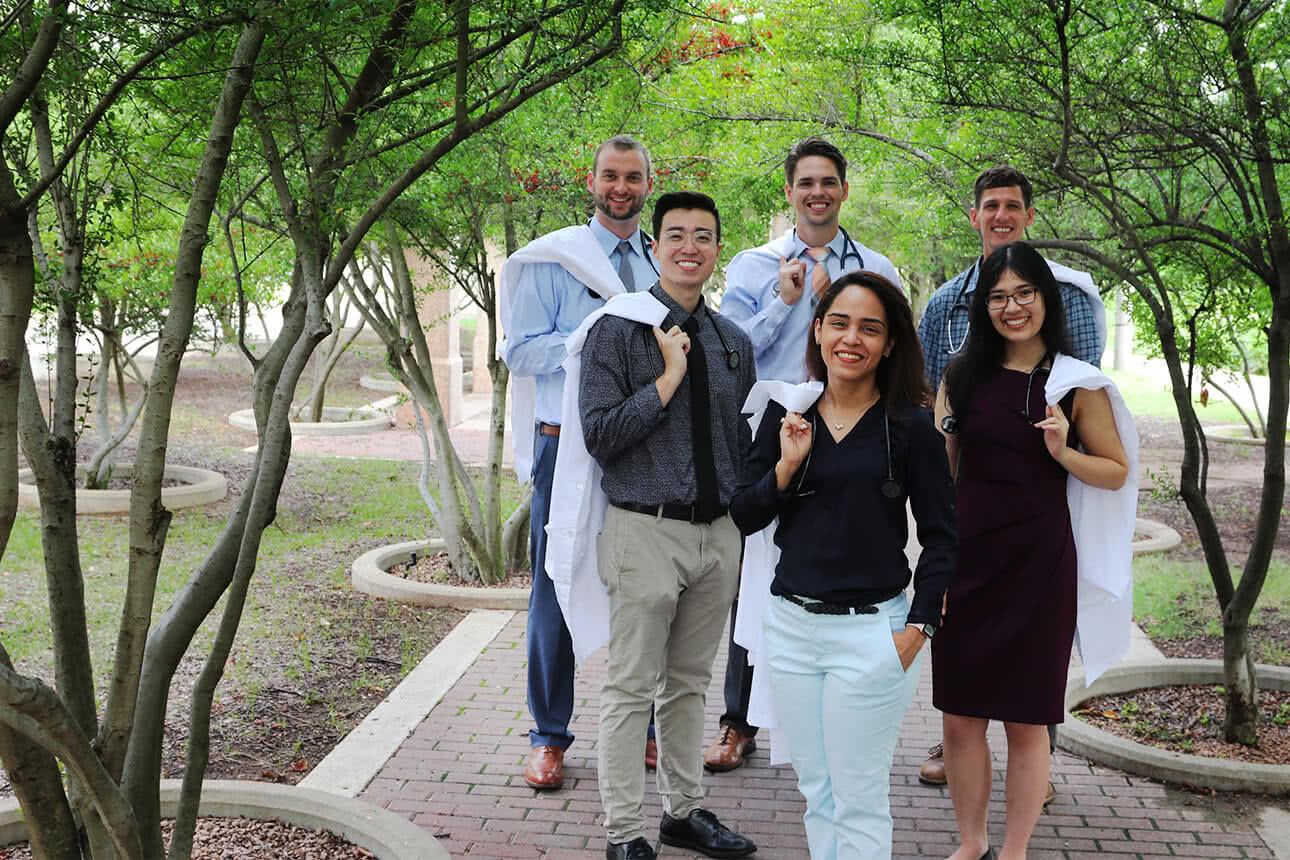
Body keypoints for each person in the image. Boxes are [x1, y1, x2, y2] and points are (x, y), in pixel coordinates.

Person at [730, 271, 956, 858]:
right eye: (840, 323)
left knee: (858, 799)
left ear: (890, 344)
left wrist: (918, 629)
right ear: (819, 331)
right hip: (792, 629)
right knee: (817, 792)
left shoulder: (911, 426)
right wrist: (785, 466)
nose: (851, 338)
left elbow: (941, 538)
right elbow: (745, 513)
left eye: (870, 328)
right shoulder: (788, 414)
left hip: (872, 634)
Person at [706, 136, 905, 772]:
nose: (817, 192)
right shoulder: (751, 266)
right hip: (775, 429)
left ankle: (832, 715)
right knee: (756, 572)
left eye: (828, 182)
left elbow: (896, 347)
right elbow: (730, 352)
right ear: (789, 192)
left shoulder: (876, 269)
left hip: (855, 427)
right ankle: (738, 721)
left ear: (844, 191)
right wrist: (783, 302)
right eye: (805, 182)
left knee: (831, 562)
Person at [932, 242, 1131, 860]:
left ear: (1047, 298)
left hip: (1040, 567)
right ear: (982, 306)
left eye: (1024, 294)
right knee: (961, 717)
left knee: (1025, 720)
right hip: (969, 562)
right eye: (997, 297)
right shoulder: (960, 376)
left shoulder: (1074, 382)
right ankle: (972, 844)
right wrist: (931, 568)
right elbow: (942, 479)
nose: (1012, 307)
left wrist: (1064, 452)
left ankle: (1014, 850)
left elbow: (1115, 471)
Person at [576, 191, 757, 860]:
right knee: (629, 686)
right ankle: (624, 832)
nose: (690, 246)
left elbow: (738, 440)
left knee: (689, 685)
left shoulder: (734, 340)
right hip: (644, 532)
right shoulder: (616, 330)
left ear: (717, 249)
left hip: (717, 538)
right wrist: (669, 377)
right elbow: (600, 435)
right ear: (653, 246)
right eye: (675, 234)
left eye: (704, 236)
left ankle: (684, 813)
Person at [915, 165, 1107, 793]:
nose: (1012, 306)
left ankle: (1033, 777)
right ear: (974, 216)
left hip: (1040, 524)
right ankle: (971, 790)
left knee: (1029, 703)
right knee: (963, 702)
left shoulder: (1073, 298)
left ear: (1029, 213)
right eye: (989, 206)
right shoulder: (946, 306)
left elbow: (1084, 398)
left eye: (1012, 206)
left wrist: (1062, 446)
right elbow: (937, 417)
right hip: (974, 527)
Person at [500, 135, 660, 791]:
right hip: (564, 439)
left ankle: (642, 726)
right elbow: (519, 352)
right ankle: (548, 737)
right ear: (591, 181)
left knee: (644, 587)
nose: (621, 188)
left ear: (650, 184)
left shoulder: (663, 257)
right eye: (610, 177)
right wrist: (594, 339)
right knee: (554, 585)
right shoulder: (554, 260)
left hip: (642, 443)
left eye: (633, 177)